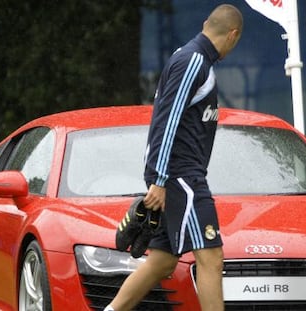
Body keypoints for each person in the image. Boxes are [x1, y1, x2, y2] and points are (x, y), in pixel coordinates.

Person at [106, 4, 243, 311]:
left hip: (178, 177)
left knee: (163, 261)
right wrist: (158, 179)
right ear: (233, 35)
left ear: (207, 23)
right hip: (182, 177)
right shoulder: (194, 61)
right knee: (212, 257)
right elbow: (167, 120)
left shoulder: (192, 59)